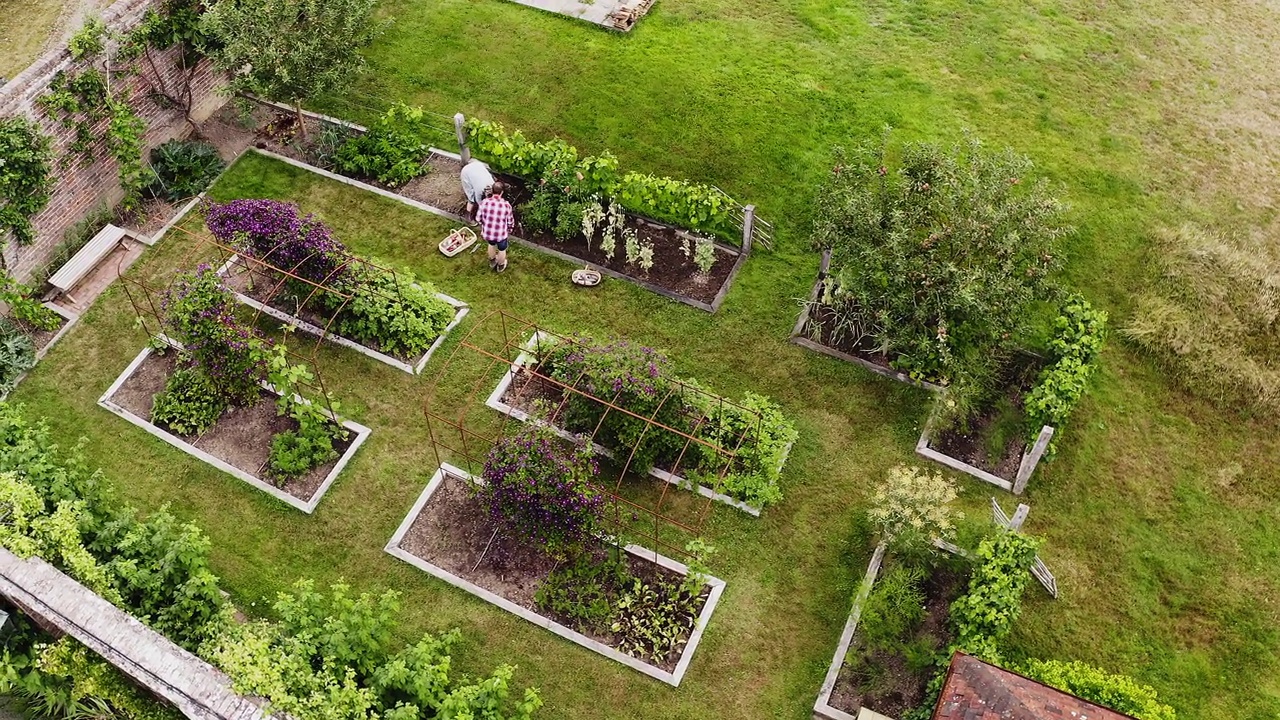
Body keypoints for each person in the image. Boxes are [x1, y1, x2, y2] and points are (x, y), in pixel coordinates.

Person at [475, 181, 514, 273]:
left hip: (488, 233)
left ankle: (492, 261)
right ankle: (500, 266)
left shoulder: (484, 202)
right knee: (502, 249)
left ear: (492, 191)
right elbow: (510, 221)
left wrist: (484, 226)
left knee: (491, 245)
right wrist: (509, 229)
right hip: (501, 234)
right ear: (502, 192)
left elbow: (478, 218)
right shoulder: (506, 205)